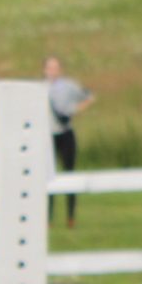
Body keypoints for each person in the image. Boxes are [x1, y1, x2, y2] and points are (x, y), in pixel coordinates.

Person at [42, 56, 93, 227]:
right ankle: (48, 218)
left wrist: (75, 110)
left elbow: (88, 96)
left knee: (69, 173)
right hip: (48, 135)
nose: (53, 71)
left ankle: (70, 217)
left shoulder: (69, 86)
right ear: (45, 70)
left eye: (56, 67)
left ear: (60, 70)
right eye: (50, 68)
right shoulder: (41, 88)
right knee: (48, 176)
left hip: (65, 133)